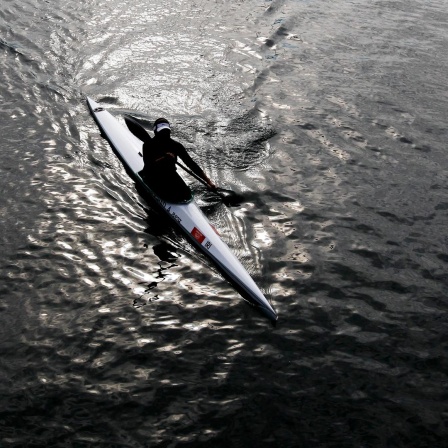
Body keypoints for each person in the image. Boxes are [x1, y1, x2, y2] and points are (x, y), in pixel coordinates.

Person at [140, 118, 216, 203]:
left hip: (169, 174)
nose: (165, 134)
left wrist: (208, 181)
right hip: (152, 175)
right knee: (168, 194)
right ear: (156, 131)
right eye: (162, 131)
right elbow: (148, 165)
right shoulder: (148, 145)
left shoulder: (176, 146)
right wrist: (164, 158)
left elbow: (191, 164)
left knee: (186, 194)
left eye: (166, 131)